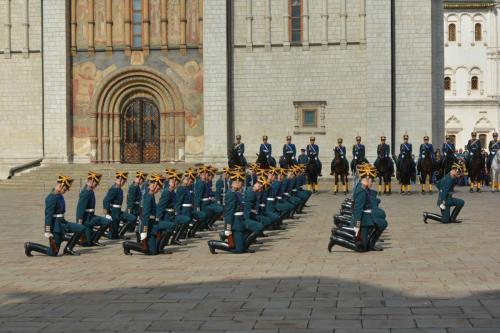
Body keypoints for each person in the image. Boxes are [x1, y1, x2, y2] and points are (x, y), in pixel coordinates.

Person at [328, 164, 387, 252]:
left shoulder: (362, 187)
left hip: (366, 219)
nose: (372, 183)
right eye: (371, 181)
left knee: (367, 244)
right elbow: (358, 210)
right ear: (366, 179)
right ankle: (336, 238)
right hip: (362, 221)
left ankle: (370, 245)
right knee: (361, 248)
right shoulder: (361, 192)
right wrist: (357, 226)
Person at [24, 176, 85, 257]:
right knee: (53, 253)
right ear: (60, 186)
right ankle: (30, 246)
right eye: (64, 189)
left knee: (81, 228)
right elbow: (48, 215)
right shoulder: (51, 198)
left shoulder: (59, 195)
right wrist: (47, 231)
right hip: (56, 227)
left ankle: (68, 249)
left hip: (63, 223)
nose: (65, 191)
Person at [207, 171, 263, 254]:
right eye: (237, 182)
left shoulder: (238, 193)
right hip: (236, 223)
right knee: (238, 250)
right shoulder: (231, 194)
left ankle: (245, 246)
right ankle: (213, 243)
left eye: (240, 182)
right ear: (232, 184)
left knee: (259, 227)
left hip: (242, 220)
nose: (239, 183)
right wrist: (227, 229)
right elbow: (229, 213)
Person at [122, 174, 166, 255]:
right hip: (146, 227)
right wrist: (143, 235)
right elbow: (145, 217)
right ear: (154, 186)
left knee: (154, 250)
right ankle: (127, 244)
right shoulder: (148, 198)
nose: (158, 190)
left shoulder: (151, 196)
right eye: (158, 188)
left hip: (151, 226)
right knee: (150, 251)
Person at [76, 171, 112, 246]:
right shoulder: (86, 192)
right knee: (87, 244)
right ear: (92, 181)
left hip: (91, 217)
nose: (96, 185)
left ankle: (95, 240)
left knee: (107, 222)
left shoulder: (90, 191)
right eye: (96, 184)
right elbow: (80, 209)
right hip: (87, 220)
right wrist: (79, 222)